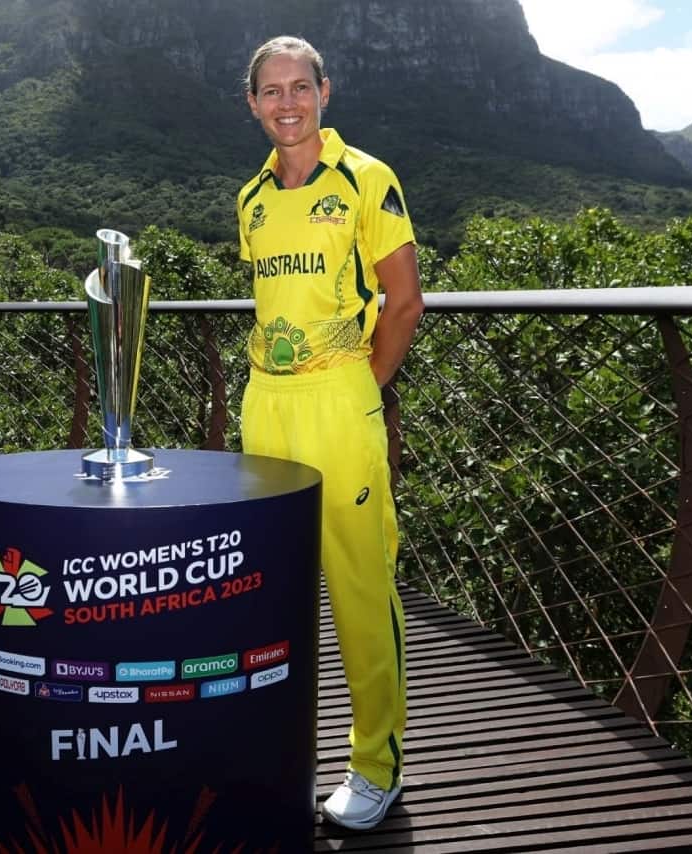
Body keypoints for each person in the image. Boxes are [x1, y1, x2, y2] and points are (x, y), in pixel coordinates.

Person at [236, 35, 424, 831]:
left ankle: (375, 765)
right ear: (253, 104)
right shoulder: (248, 197)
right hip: (264, 404)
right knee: (268, 589)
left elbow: (404, 302)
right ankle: (274, 751)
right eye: (271, 91)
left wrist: (360, 391)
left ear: (325, 91)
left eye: (299, 88)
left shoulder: (366, 179)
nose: (287, 103)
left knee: (357, 585)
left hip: (339, 402)